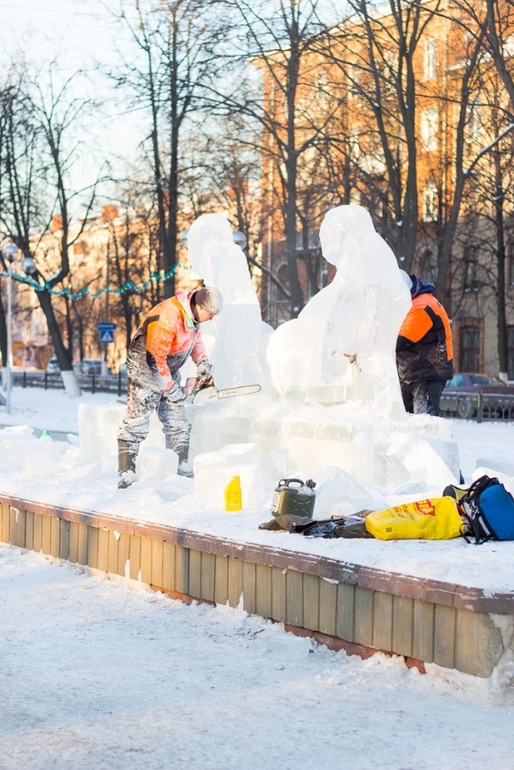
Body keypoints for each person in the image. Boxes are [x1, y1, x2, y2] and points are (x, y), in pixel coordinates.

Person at [117, 286, 223, 488]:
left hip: (168, 368)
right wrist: (171, 390)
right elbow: (155, 360)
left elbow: (195, 341)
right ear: (200, 306)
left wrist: (202, 361)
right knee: (137, 420)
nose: (211, 318)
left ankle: (179, 465)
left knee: (177, 420)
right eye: (210, 314)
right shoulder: (168, 315)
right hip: (144, 367)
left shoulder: (192, 316)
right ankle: (126, 472)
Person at [396, 272, 453, 416]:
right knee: (401, 419)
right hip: (412, 372)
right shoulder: (410, 303)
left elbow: (401, 341)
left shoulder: (422, 306)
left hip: (428, 373)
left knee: (424, 421)